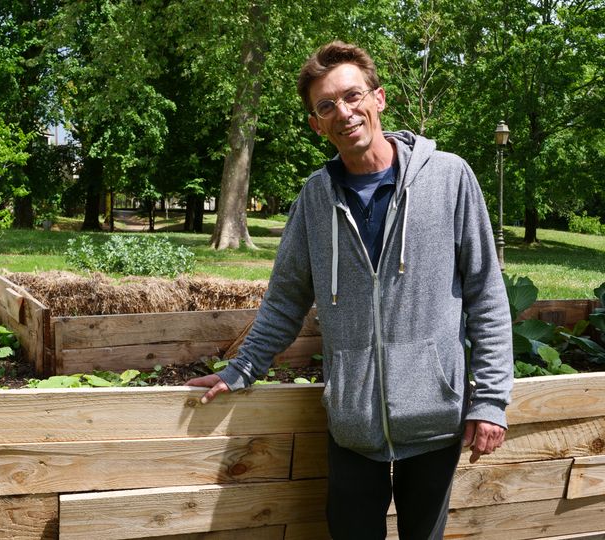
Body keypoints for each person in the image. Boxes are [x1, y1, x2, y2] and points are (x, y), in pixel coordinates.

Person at [186, 40, 513, 539]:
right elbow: (286, 299)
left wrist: (490, 401)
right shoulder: (315, 199)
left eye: (352, 95)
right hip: (352, 427)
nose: (344, 112)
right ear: (317, 124)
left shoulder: (449, 178)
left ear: (378, 98)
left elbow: (486, 295)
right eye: (326, 106)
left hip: (435, 420)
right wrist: (241, 369)